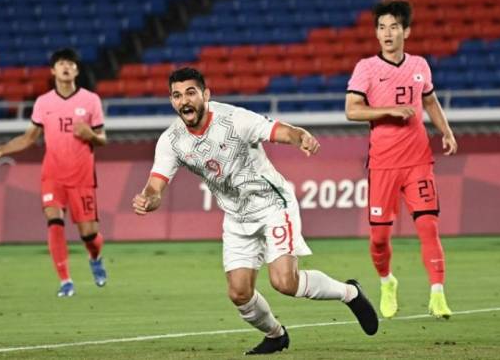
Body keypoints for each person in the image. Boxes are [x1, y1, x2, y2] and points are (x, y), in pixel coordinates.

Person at [132, 67, 378, 355]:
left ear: (205, 95)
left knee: (285, 282)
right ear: (172, 101)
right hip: (236, 216)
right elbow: (156, 186)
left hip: (272, 204)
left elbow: (280, 131)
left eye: (191, 92)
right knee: (239, 293)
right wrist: (148, 199)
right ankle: (276, 335)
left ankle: (349, 293)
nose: (184, 101)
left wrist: (301, 138)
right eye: (176, 95)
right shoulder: (172, 141)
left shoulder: (234, 120)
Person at [345, 0, 458, 319]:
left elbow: (431, 101)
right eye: (381, 27)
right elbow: (352, 110)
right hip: (382, 164)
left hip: (418, 161)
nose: (387, 33)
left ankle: (437, 293)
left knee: (428, 227)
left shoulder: (420, 65)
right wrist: (387, 111)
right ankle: (386, 281)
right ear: (377, 33)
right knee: (379, 239)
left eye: (394, 26)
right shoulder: (366, 68)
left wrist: (446, 132)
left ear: (405, 31)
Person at [0, 48, 108, 297]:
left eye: (70, 63)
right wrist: (4, 149)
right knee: (54, 222)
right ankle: (65, 281)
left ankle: (95, 258)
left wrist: (91, 135)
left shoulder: (90, 100)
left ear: (76, 70)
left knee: (90, 236)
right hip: (53, 175)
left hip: (82, 176)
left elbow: (103, 139)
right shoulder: (43, 102)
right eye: (61, 63)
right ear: (53, 70)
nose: (66, 67)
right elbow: (30, 137)